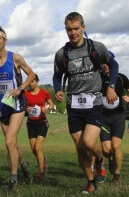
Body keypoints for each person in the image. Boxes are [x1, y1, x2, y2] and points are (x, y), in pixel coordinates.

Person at [52, 12, 119, 194]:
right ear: (65, 29)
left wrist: (111, 86)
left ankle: (99, 160)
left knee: (89, 143)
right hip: (73, 104)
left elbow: (114, 66)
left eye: (76, 28)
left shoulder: (96, 48)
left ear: (83, 27)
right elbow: (57, 76)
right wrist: (58, 90)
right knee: (80, 146)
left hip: (94, 102)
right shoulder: (62, 54)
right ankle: (91, 182)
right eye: (69, 29)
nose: (73, 32)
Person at [0, 26, 35, 192]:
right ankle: (24, 165)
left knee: (8, 141)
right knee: (12, 144)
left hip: (17, 104)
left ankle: (13, 181)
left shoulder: (16, 58)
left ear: (5, 40)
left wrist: (20, 88)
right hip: (1, 105)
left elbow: (31, 75)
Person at [98, 60, 129, 183]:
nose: (106, 65)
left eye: (109, 63)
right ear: (101, 64)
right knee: (106, 150)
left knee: (115, 146)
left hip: (118, 117)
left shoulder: (121, 77)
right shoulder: (97, 77)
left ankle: (116, 176)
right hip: (103, 118)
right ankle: (111, 160)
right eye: (104, 63)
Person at [24, 74, 54, 180]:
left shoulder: (44, 93)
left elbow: (51, 104)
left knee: (37, 148)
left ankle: (41, 172)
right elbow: (23, 106)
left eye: (33, 81)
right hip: (31, 123)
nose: (31, 84)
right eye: (29, 82)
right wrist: (26, 109)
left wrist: (47, 108)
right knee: (33, 150)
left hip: (42, 122)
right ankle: (44, 162)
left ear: (37, 82)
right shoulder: (25, 93)